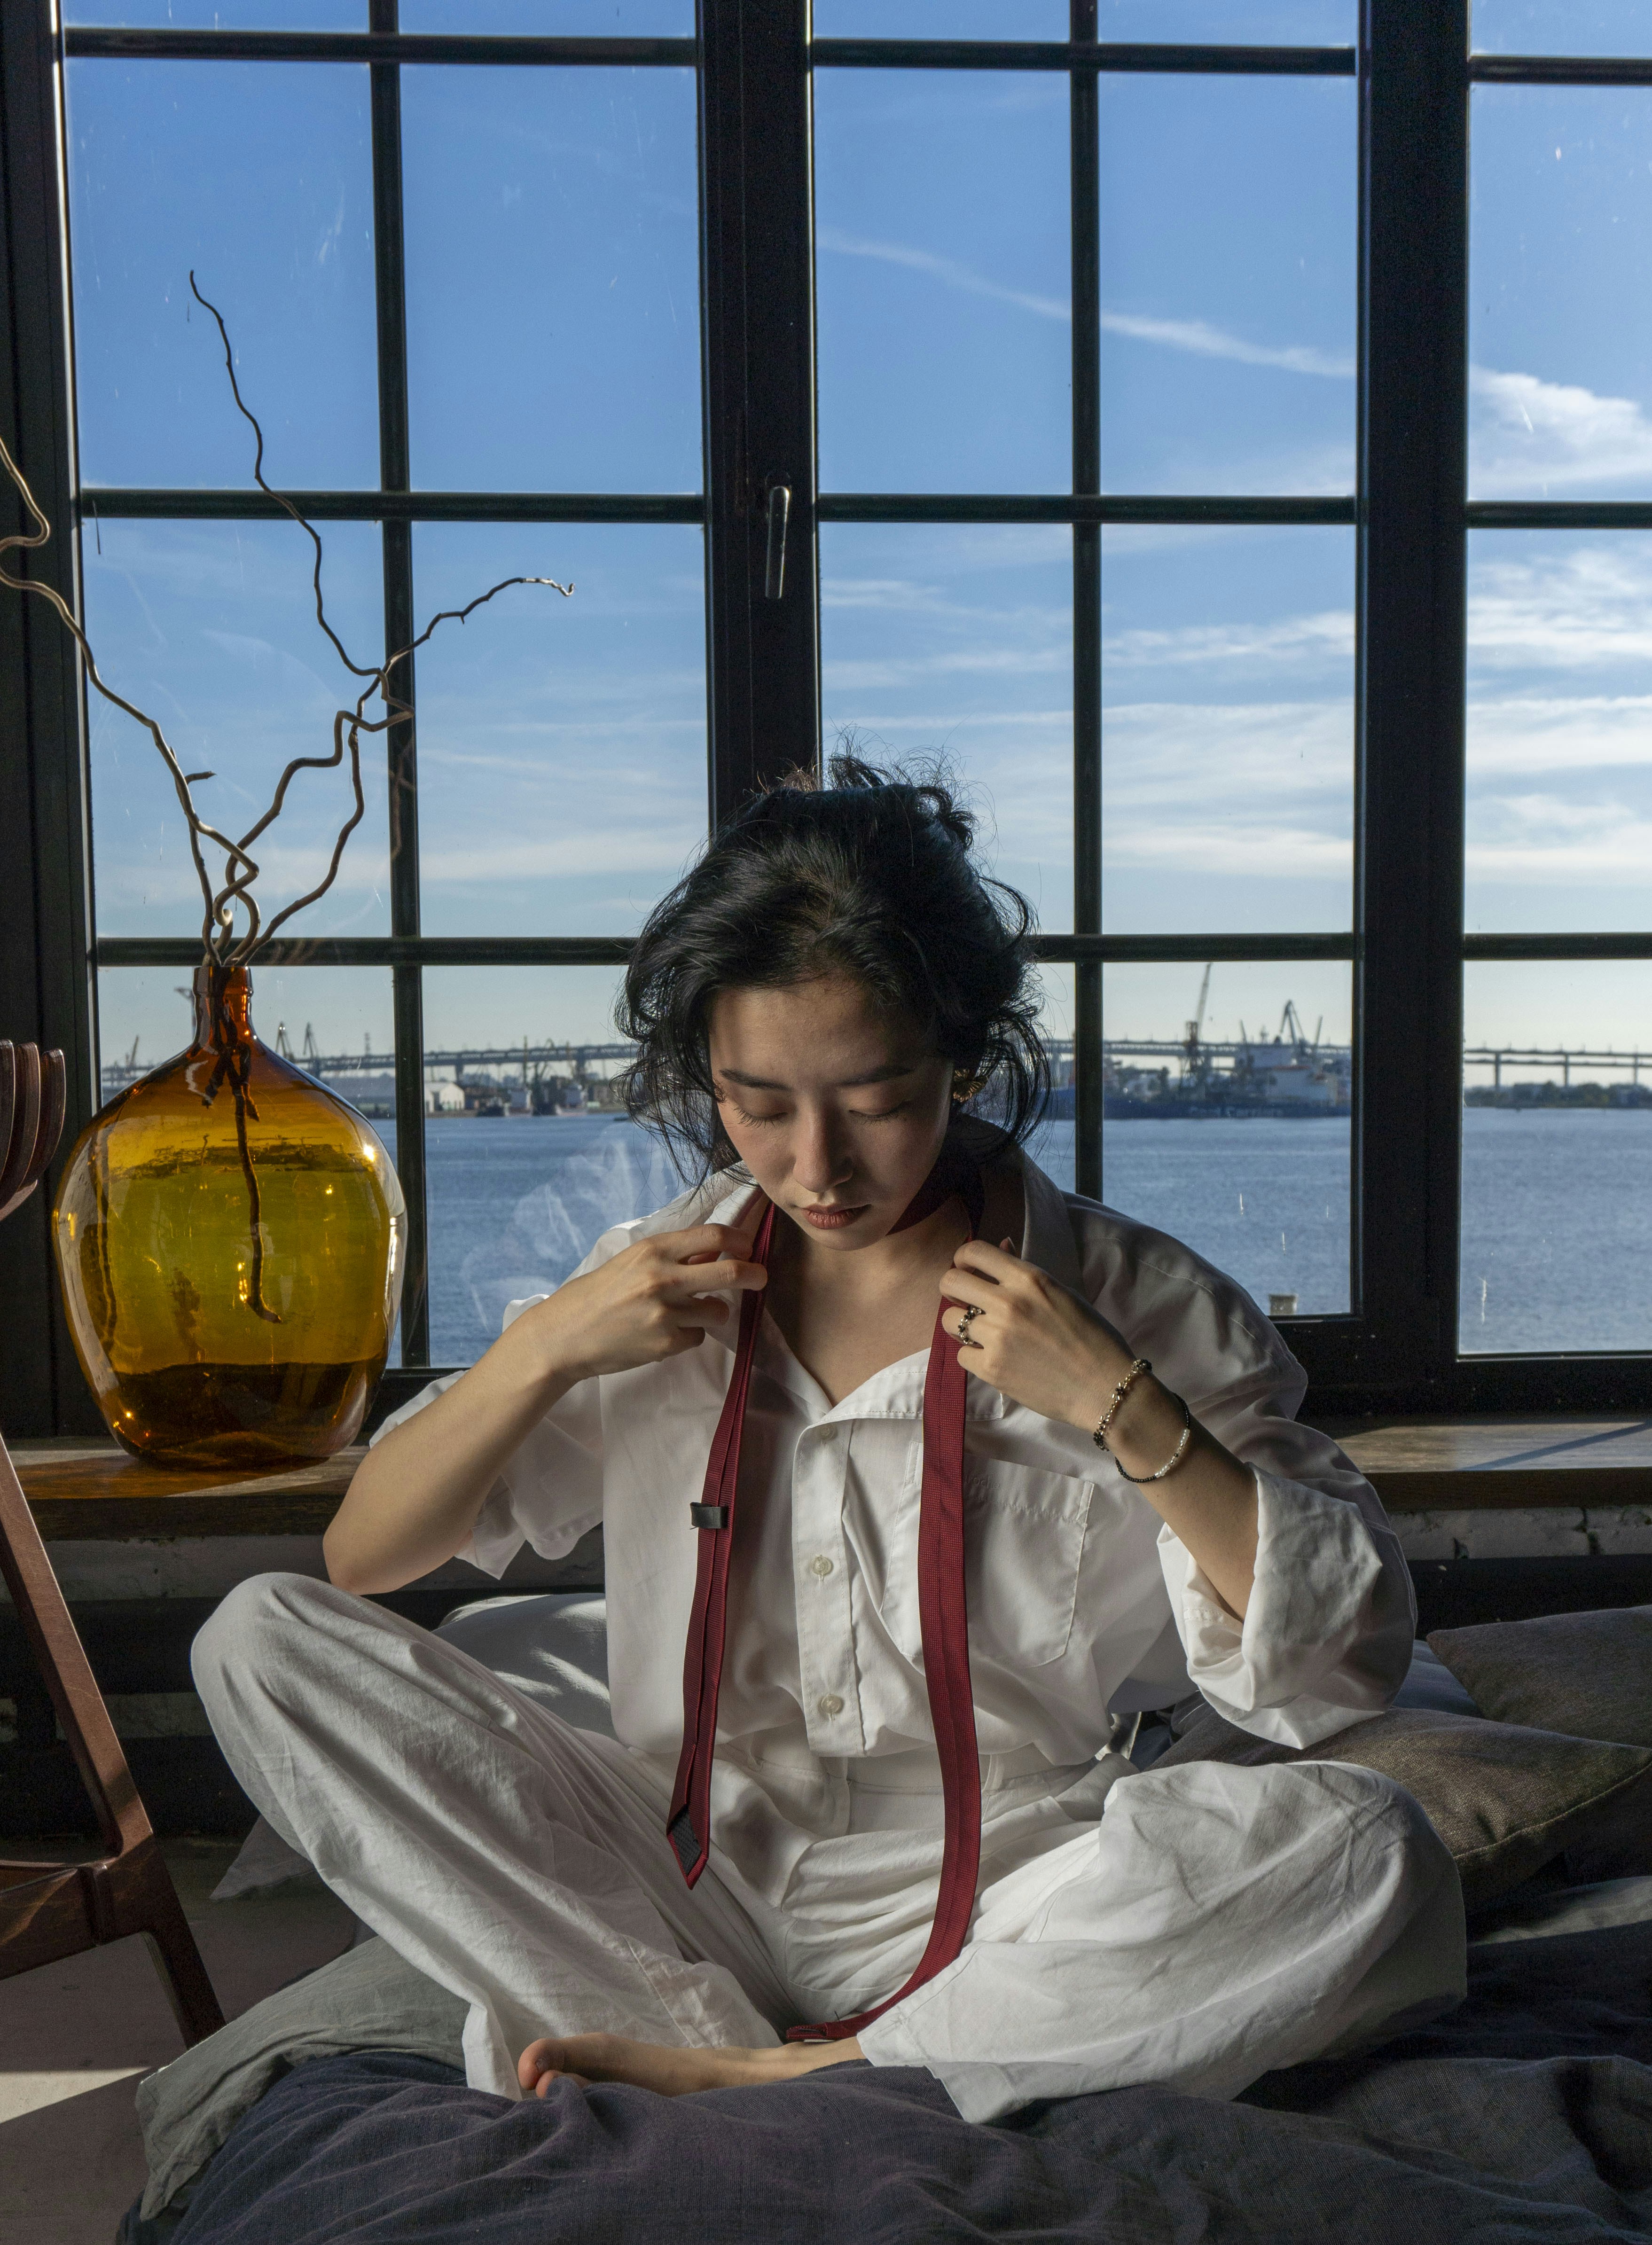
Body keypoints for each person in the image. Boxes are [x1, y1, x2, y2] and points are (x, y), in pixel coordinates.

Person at [192, 759, 1465, 2125]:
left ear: (962, 1055)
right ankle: (702, 2036)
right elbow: (367, 1554)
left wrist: (1119, 1403)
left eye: (872, 1098)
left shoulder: (1139, 1303)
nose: (816, 1166)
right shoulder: (655, 1280)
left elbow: (1340, 1669)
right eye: (757, 1102)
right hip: (684, 1870)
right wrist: (544, 1346)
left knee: (1360, 1849)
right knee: (256, 1639)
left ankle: (768, 2077)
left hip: (1015, 1888)